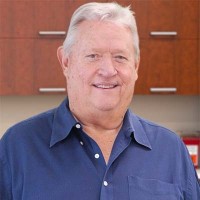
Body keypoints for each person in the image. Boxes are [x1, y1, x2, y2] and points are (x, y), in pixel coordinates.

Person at [0, 2, 199, 199]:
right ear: (66, 62)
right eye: (93, 55)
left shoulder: (171, 150)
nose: (108, 71)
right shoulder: (16, 148)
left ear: (136, 66)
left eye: (120, 57)